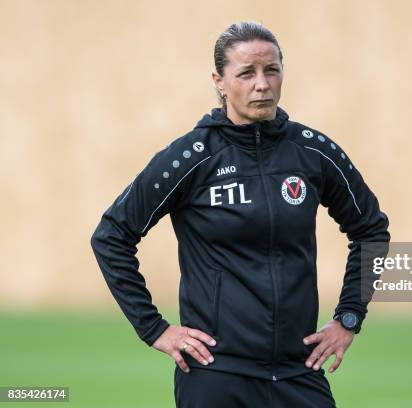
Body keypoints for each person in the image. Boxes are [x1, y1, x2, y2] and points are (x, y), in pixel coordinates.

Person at [90, 21, 390, 407]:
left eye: (272, 70)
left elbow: (370, 230)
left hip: (298, 372)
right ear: (219, 81)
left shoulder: (313, 152)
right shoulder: (190, 157)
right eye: (246, 73)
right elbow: (111, 235)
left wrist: (349, 316)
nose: (261, 84)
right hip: (216, 374)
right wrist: (154, 328)